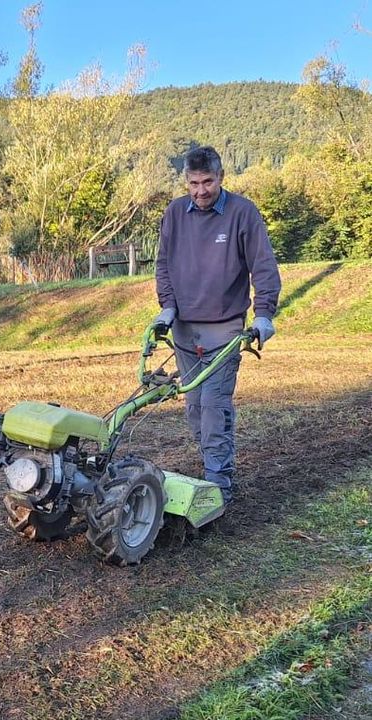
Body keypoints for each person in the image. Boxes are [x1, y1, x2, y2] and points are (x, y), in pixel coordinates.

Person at [153, 145, 281, 504]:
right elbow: (163, 265)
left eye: (207, 181)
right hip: (183, 329)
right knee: (194, 406)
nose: (200, 191)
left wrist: (264, 313)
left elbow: (264, 266)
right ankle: (213, 465)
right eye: (193, 183)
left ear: (221, 178)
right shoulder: (176, 213)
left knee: (213, 404)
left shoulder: (242, 213)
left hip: (225, 328)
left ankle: (219, 484)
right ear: (185, 182)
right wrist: (167, 308)